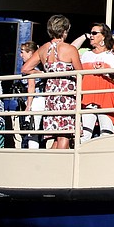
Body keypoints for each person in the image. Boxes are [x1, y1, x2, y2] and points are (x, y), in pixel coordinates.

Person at [21, 15, 82, 149]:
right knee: (65, 134)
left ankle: (49, 163)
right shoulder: (70, 49)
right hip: (67, 94)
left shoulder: (44, 49)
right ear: (65, 30)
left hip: (51, 94)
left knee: (57, 136)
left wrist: (43, 73)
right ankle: (58, 166)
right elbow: (80, 73)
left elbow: (25, 69)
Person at [78, 23, 114, 142]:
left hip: (106, 100)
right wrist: (84, 36)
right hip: (87, 99)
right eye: (90, 33)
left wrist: (107, 72)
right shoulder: (85, 55)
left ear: (103, 36)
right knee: (84, 137)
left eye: (94, 33)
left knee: (106, 135)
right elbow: (71, 48)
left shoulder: (113, 57)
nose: (91, 36)